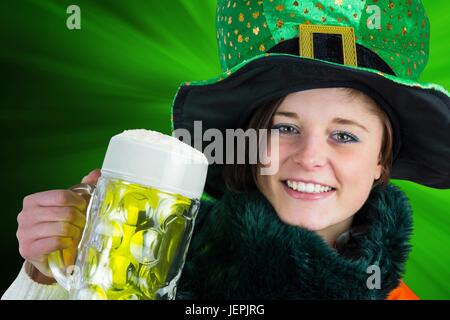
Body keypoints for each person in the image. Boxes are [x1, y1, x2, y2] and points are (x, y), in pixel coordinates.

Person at [2, 0, 449, 300]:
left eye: (345, 135)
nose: (310, 157)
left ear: (380, 162)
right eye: (284, 127)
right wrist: (50, 275)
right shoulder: (152, 253)